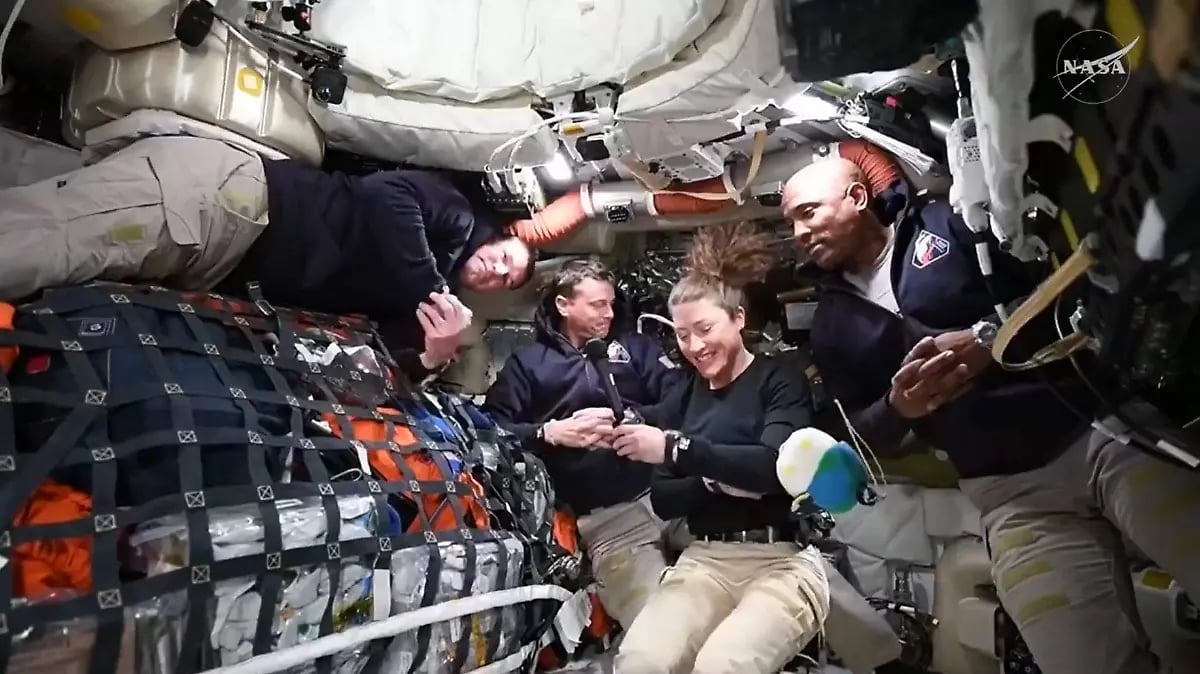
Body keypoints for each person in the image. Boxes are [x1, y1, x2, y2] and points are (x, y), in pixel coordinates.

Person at [782, 152, 1200, 674]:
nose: (798, 232)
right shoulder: (830, 325)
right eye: (791, 223)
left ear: (857, 198)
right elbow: (863, 436)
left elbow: (1070, 285)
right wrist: (898, 407)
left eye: (808, 212)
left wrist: (991, 339)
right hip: (1009, 494)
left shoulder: (950, 221)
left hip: (1097, 433)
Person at [0, 134, 535, 370]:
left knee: (47, 261)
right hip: (228, 204)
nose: (498, 270)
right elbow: (385, 197)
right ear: (493, 238)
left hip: (221, 261)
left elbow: (376, 354)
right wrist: (429, 289)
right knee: (39, 245)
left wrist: (431, 354)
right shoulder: (455, 219)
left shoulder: (429, 296)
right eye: (505, 255)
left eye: (507, 281)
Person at [610, 223, 830, 674]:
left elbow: (774, 471)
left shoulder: (780, 379)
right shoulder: (684, 397)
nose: (694, 345)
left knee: (723, 665)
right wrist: (721, 474)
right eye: (682, 335)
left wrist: (678, 450)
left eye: (704, 329)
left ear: (738, 319)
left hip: (781, 561)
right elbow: (666, 499)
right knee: (639, 660)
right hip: (705, 559)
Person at [482, 258, 687, 629]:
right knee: (656, 626)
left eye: (611, 303)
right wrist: (550, 433)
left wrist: (639, 419)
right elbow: (490, 430)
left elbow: (681, 398)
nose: (609, 313)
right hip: (607, 518)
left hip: (669, 488)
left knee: (749, 556)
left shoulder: (636, 347)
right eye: (598, 305)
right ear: (563, 305)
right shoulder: (528, 366)